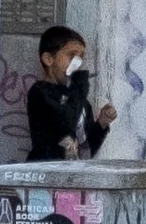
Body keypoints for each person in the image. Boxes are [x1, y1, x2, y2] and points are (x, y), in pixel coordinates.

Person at [26, 26, 114, 159]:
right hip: (47, 168)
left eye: (80, 58)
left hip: (71, 170)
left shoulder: (78, 98)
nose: (77, 63)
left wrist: (102, 123)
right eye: (72, 56)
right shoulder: (40, 92)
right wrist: (80, 83)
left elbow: (87, 150)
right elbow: (66, 123)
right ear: (48, 59)